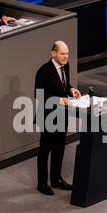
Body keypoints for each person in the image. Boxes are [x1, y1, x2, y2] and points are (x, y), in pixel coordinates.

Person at [34, 41, 82, 196]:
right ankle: (42, 183)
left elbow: (64, 84)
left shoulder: (65, 66)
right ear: (53, 54)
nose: (66, 56)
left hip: (62, 114)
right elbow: (39, 95)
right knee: (45, 150)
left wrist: (71, 89)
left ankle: (56, 179)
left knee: (59, 148)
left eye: (67, 53)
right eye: (63, 53)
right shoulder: (43, 71)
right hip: (48, 115)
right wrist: (59, 100)